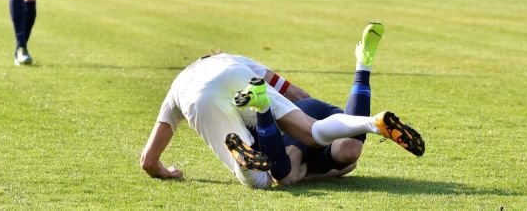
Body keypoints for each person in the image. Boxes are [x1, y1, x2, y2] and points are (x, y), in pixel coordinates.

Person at [140, 23, 424, 188]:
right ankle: (371, 122)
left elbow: (149, 161)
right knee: (321, 140)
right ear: (214, 55)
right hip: (242, 77)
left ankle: (258, 120)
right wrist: (299, 115)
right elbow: (297, 93)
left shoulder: (177, 86)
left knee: (265, 179)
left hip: (196, 98)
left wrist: (166, 171)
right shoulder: (233, 59)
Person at [232, 23, 422, 186]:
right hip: (316, 115)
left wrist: (307, 173)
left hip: (295, 124)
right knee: (349, 152)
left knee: (285, 177)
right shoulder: (237, 65)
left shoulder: (234, 97)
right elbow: (350, 165)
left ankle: (365, 81)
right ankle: (363, 65)